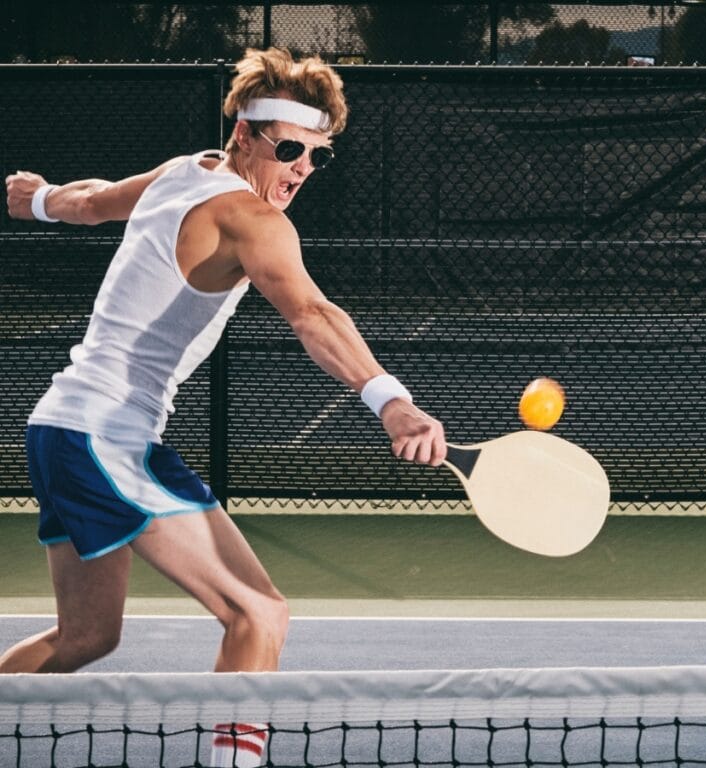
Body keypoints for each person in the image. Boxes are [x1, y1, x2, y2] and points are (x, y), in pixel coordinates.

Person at [1, 47, 446, 767]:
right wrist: (392, 402)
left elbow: (91, 202)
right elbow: (312, 313)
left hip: (63, 428)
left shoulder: (187, 169)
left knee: (87, 637)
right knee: (258, 612)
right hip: (102, 437)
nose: (302, 169)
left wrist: (41, 199)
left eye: (318, 158)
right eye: (292, 149)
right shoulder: (251, 220)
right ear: (245, 134)